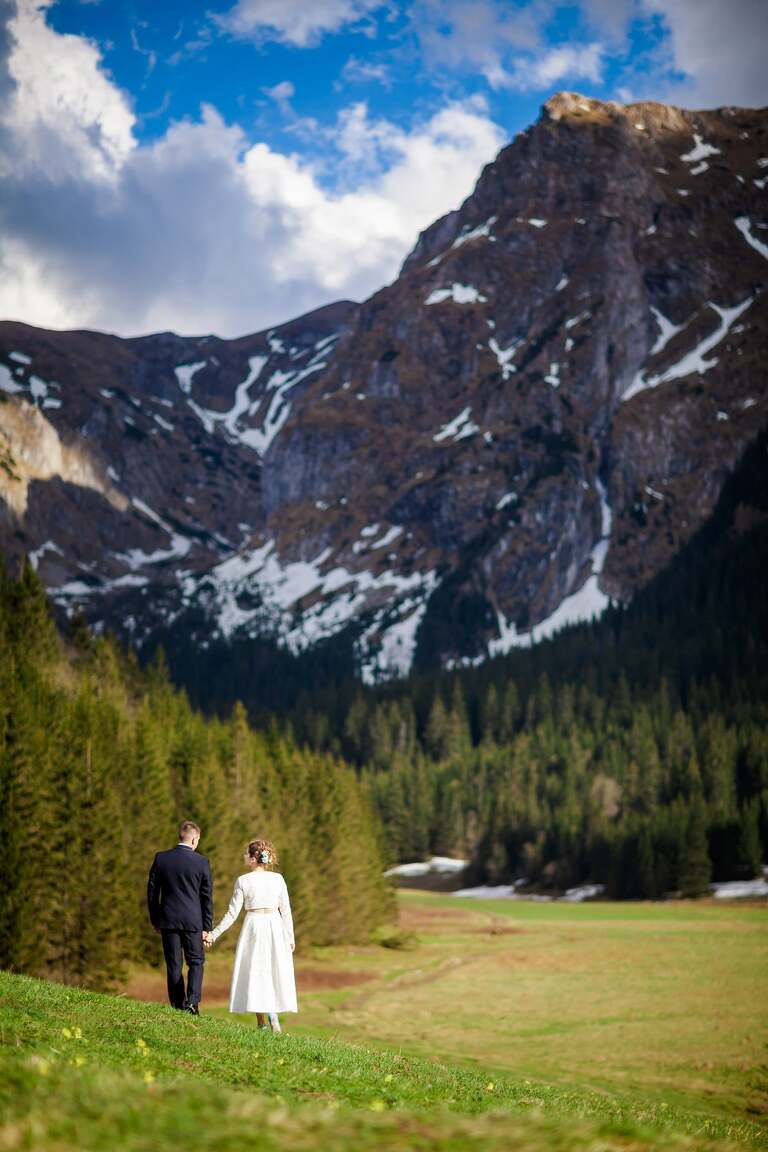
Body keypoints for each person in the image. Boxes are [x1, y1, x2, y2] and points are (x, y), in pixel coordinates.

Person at [204, 838, 296, 1032]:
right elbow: (286, 910)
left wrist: (214, 934)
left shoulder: (243, 880)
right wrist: (290, 937)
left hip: (254, 926)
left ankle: (262, 1022)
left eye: (247, 854)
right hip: (274, 925)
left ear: (254, 859)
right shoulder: (278, 879)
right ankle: (272, 1015)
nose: (245, 856)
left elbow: (232, 914)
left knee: (256, 971)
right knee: (271, 970)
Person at [147, 820, 213, 1015]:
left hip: (168, 920)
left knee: (174, 964)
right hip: (193, 921)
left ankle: (177, 1005)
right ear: (194, 840)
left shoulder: (161, 859)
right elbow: (206, 897)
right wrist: (207, 927)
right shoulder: (201, 862)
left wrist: (156, 919)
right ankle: (192, 1003)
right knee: (195, 962)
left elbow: (152, 893)